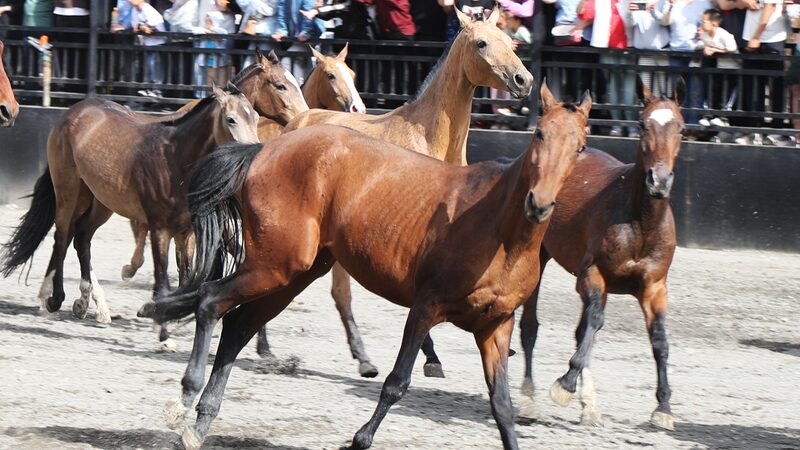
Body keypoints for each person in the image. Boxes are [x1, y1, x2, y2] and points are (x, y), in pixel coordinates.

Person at [579, 0, 637, 138]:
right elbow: (584, 12)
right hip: (607, 46)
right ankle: (616, 125)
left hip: (628, 45)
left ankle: (631, 127)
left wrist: (633, 12)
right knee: (612, 88)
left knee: (629, 90)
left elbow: (638, 20)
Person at [653, 0, 712, 127]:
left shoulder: (704, 3)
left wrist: (704, 32)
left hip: (697, 52)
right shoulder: (672, 2)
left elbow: (712, 23)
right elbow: (664, 21)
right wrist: (670, 6)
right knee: (678, 93)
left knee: (696, 92)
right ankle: (679, 127)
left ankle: (694, 127)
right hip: (676, 52)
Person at [738, 0, 787, 145]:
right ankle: (754, 130)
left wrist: (756, 37)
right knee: (752, 87)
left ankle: (778, 132)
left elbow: (770, 7)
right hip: (750, 36)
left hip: (770, 39)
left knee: (776, 88)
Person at [697, 8, 738, 135]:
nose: (701, 24)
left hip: (732, 68)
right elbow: (702, 45)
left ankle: (723, 117)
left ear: (714, 23)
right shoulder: (704, 35)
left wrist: (715, 50)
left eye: (704, 21)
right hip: (718, 67)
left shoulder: (724, 35)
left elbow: (732, 48)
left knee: (727, 93)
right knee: (713, 90)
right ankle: (709, 116)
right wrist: (705, 49)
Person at [272, 0, 324, 84]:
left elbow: (308, 14)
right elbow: (282, 13)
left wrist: (305, 33)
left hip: (310, 36)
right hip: (297, 38)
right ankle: (307, 89)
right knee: (304, 62)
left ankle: (299, 89)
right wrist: (281, 30)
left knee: (288, 60)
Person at [628, 0, 669, 97]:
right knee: (645, 91)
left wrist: (652, 10)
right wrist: (630, 12)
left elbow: (664, 21)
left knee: (664, 90)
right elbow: (632, 22)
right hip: (644, 53)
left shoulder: (664, 1)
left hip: (662, 52)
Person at [130, 0, 168, 97]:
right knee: (149, 67)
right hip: (147, 44)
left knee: (155, 66)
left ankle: (157, 90)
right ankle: (149, 88)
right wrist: (142, 27)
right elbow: (135, 27)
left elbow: (152, 28)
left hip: (158, 43)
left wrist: (143, 27)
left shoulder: (148, 9)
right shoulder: (134, 10)